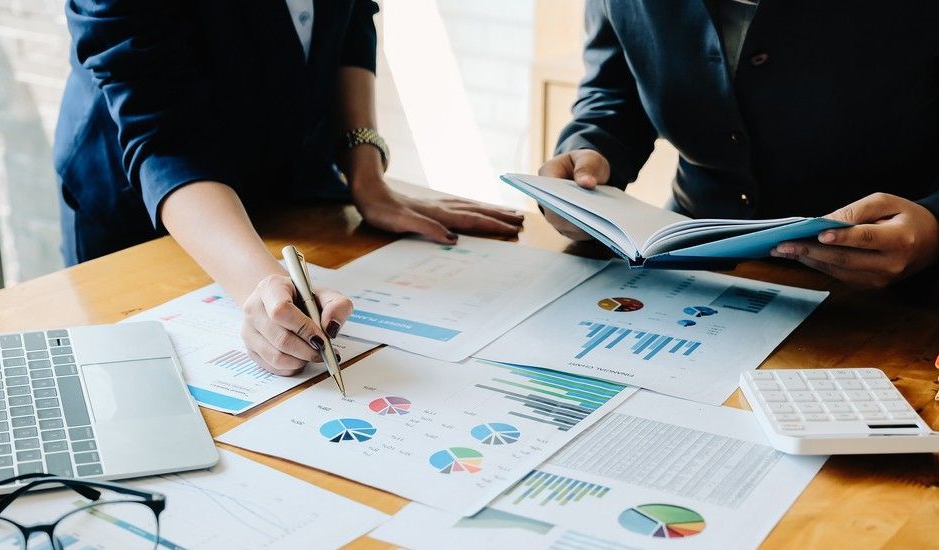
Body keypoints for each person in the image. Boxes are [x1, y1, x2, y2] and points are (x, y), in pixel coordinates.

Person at [54, 1, 523, 376]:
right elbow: (165, 140)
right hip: (151, 212)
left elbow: (352, 18)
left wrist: (367, 177)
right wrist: (260, 284)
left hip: (290, 181)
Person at [539, 1, 939, 288]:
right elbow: (614, 91)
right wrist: (589, 152)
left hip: (888, 291)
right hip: (685, 264)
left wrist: (934, 227)